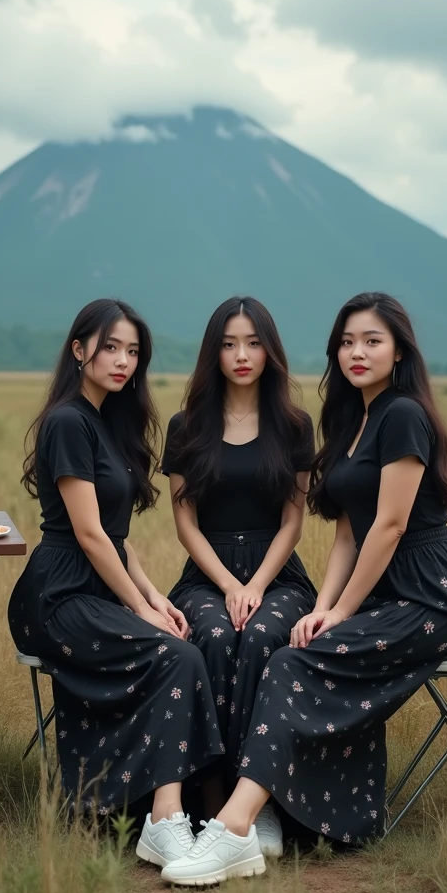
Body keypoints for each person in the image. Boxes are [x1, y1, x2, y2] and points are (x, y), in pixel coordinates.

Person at [161, 291, 447, 886]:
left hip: (435, 595)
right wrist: (325, 608)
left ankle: (237, 827)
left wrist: (340, 612)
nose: (357, 352)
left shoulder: (404, 415)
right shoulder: (353, 420)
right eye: (347, 341)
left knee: (289, 662)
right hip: (389, 594)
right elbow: (346, 534)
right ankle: (248, 819)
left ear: (400, 351)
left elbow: (387, 529)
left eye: (372, 341)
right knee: (294, 652)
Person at [8, 298, 223, 868]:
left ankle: (181, 806)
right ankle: (164, 819)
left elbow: (117, 538)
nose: (122, 360)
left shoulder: (106, 423)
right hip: (59, 595)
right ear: (79, 350)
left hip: (100, 586)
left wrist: (156, 597)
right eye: (110, 347)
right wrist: (143, 609)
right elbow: (88, 534)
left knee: (190, 640)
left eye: (132, 351)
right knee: (175, 656)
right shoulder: (66, 421)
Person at [162, 296, 316, 857]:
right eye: (229, 344)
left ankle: (263, 808)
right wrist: (229, 583)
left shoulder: (295, 425)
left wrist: (256, 585)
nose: (242, 354)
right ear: (213, 352)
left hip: (279, 573)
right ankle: (212, 801)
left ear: (269, 350)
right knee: (217, 635)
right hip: (208, 571)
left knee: (261, 638)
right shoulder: (186, 426)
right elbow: (184, 521)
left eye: (252, 342)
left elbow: (294, 520)